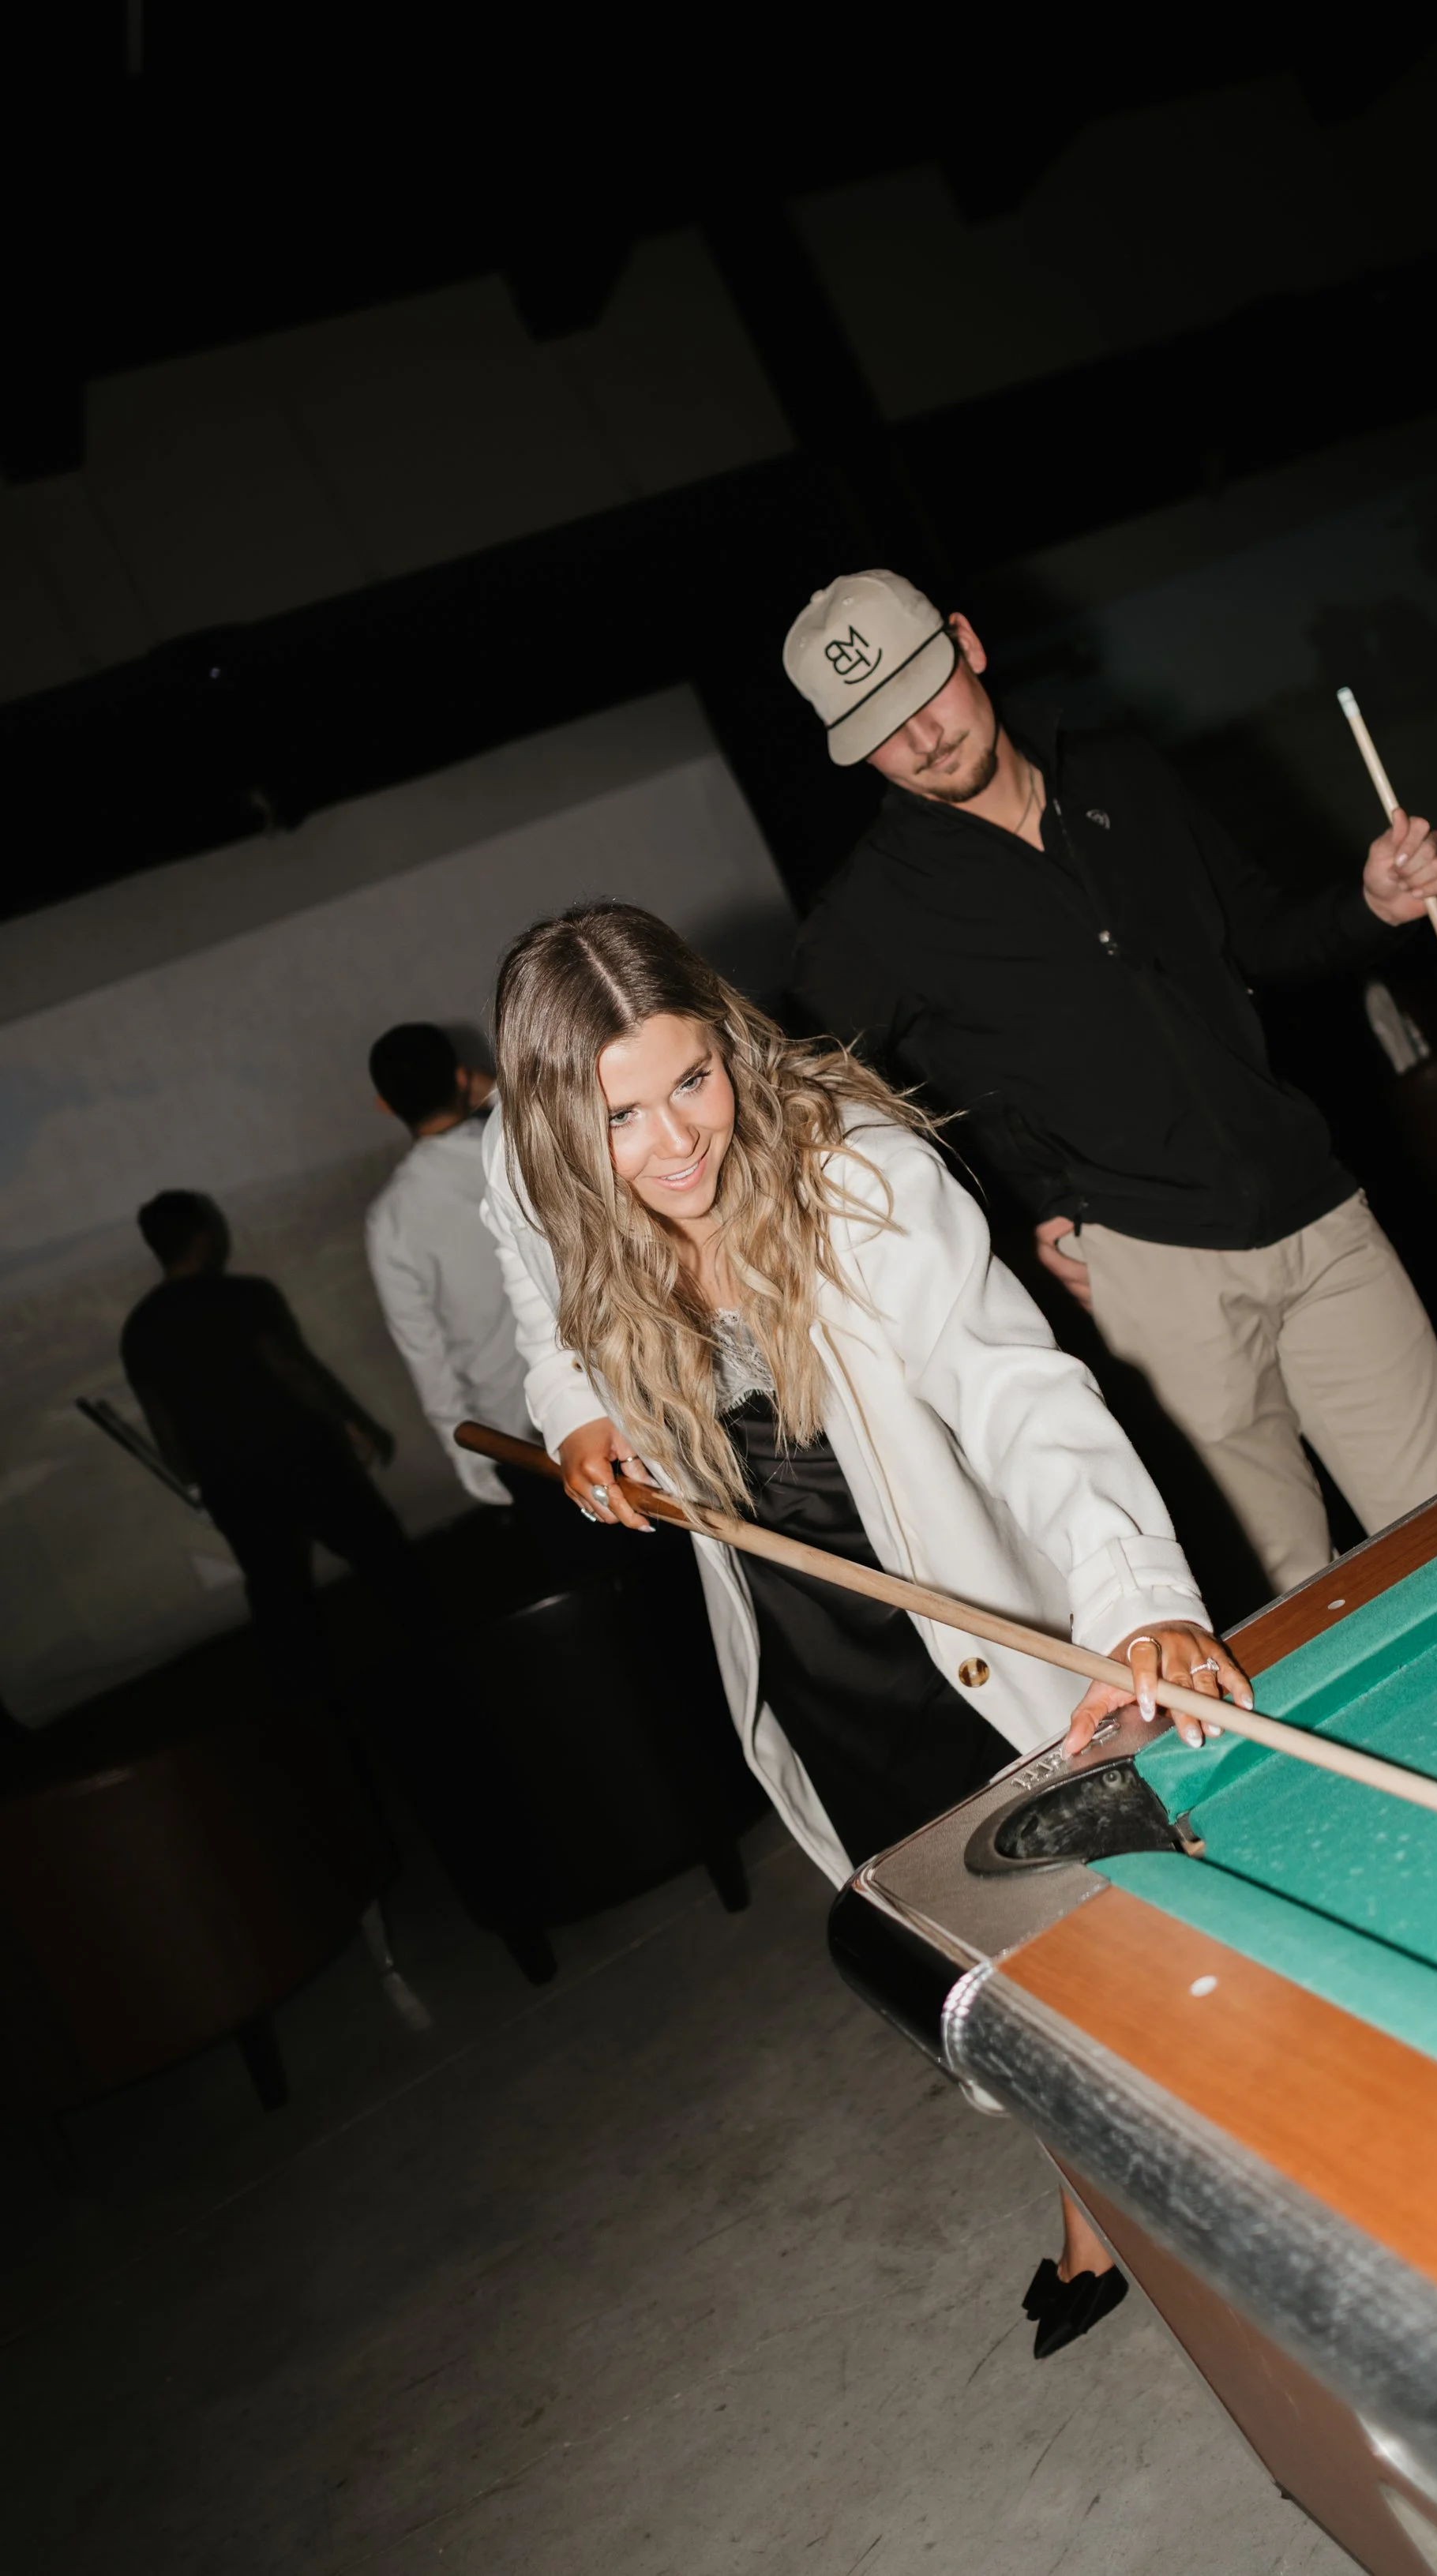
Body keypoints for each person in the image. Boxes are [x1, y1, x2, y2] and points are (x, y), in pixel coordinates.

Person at [478, 899, 1251, 2356]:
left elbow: (1016, 1388)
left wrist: (1138, 1593)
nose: (676, 1142)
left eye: (693, 1080)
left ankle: (1221, 2169)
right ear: (554, 1125)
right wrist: (575, 1404)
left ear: (727, 1043)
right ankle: (1090, 2184)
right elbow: (533, 1268)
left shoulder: (861, 1174)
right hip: (800, 1639)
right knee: (958, 1948)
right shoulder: (528, 1166)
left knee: (1099, 1924)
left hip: (951, 1610)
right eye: (621, 1117)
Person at [782, 569, 1437, 1601]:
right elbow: (820, 1112)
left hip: (1317, 1217)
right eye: (881, 727)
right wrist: (1009, 1216)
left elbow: (1260, 936)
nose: (922, 738)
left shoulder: (1126, 773)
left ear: (967, 643)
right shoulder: (870, 913)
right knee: (1295, 1603)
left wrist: (1370, 906)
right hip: (1149, 1277)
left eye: (926, 691)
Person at [121, 1191, 409, 1695]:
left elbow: (161, 1421)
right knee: (383, 1560)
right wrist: (352, 1423)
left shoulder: (139, 1329)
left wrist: (193, 1483)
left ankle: (310, 1704)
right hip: (303, 1458)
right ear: (204, 1235)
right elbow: (292, 1372)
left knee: (280, 1597)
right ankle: (433, 1655)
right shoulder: (245, 1297)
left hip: (228, 1480)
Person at [364, 1023, 562, 1553]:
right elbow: (559, 1111)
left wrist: (467, 1455)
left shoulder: (390, 1219)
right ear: (461, 1077)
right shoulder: (515, 1147)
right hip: (608, 1393)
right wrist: (497, 1089)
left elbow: (424, 1352)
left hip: (517, 1439)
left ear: (385, 1105)